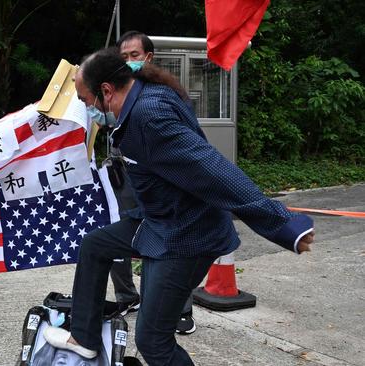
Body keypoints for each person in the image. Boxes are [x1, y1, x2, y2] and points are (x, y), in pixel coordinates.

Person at [43, 47, 315, 365]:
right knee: (95, 245)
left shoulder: (149, 117)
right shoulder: (140, 90)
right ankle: (84, 338)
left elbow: (213, 170)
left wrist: (283, 224)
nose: (86, 109)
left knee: (153, 340)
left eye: (86, 102)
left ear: (106, 90)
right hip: (157, 221)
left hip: (185, 236)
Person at [105, 30, 196, 333]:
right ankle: (128, 297)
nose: (129, 61)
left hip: (159, 181)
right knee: (119, 232)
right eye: (123, 57)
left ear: (148, 57)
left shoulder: (162, 92)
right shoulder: (113, 89)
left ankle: (179, 309)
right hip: (122, 176)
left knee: (167, 238)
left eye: (134, 56)